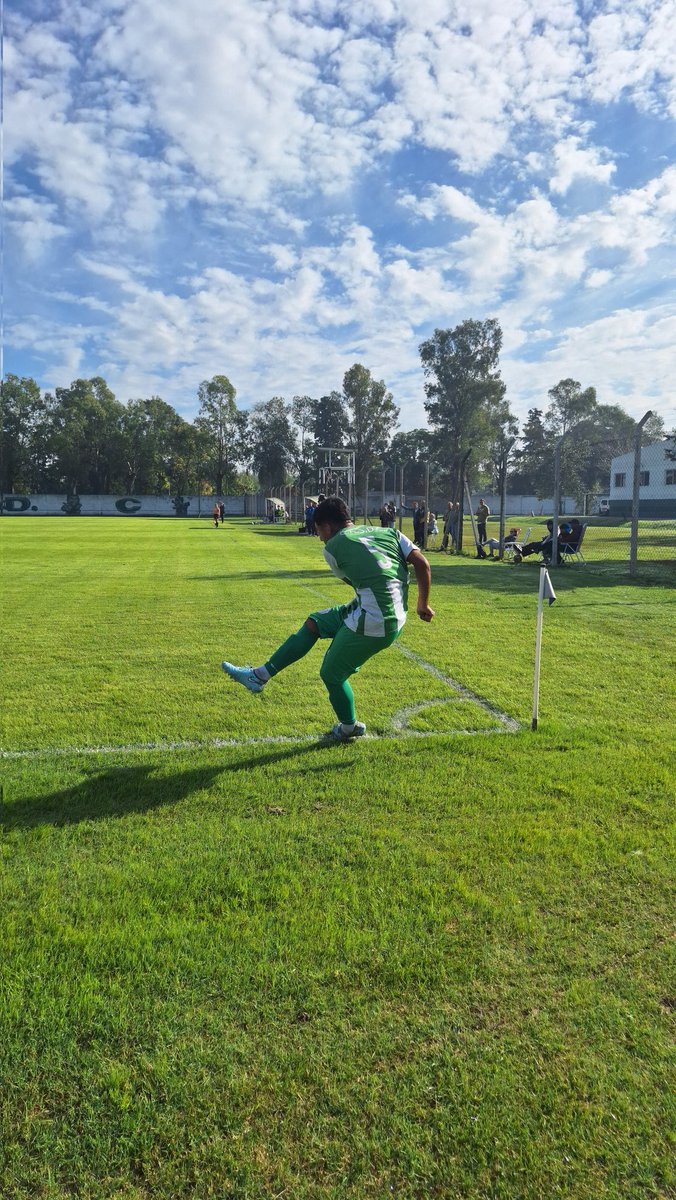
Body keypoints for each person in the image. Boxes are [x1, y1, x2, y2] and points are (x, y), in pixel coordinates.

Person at [222, 496, 435, 742]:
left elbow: (353, 578)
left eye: (318, 531)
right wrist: (423, 603)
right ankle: (259, 676)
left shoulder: (332, 547)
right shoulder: (390, 532)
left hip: (376, 619)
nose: (320, 538)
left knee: (331, 673)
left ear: (327, 526)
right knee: (315, 623)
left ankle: (348, 727)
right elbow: (422, 563)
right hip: (388, 610)